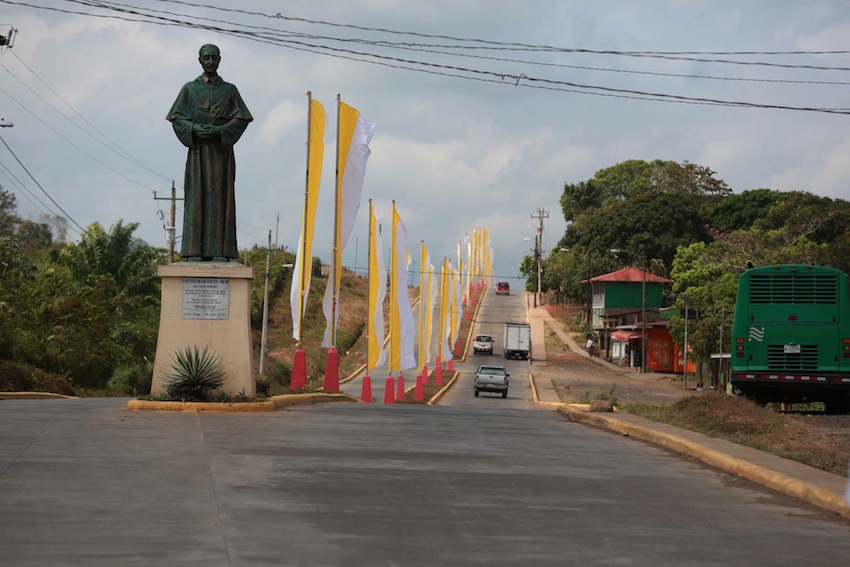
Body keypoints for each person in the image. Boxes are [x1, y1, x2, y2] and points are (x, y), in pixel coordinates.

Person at [167, 44, 253, 261]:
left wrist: (221, 130)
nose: (210, 61)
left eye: (214, 57)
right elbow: (176, 117)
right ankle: (193, 251)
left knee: (219, 198)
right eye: (206, 57)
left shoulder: (230, 90)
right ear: (200, 60)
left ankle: (220, 252)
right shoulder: (189, 89)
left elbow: (242, 118)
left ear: (219, 60)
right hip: (198, 152)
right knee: (196, 196)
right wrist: (193, 129)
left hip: (220, 152)